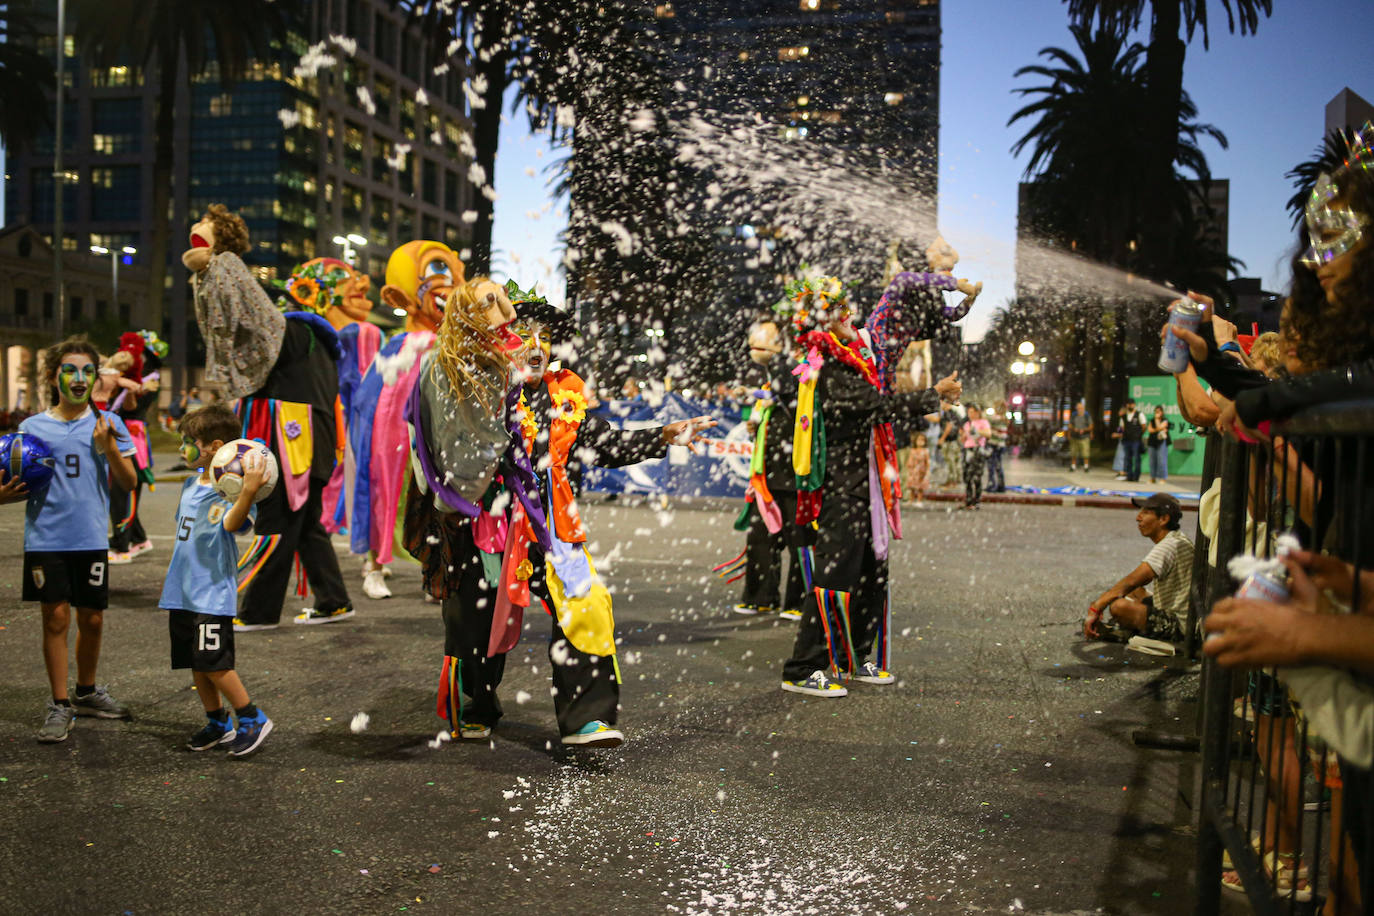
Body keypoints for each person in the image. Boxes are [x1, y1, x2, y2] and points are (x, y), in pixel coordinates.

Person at [500, 287, 715, 745]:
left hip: (554, 530)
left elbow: (607, 445)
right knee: (485, 623)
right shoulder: (488, 395)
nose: (535, 345)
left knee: (588, 604)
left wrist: (663, 436)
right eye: (522, 334)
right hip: (496, 530)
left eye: (543, 336)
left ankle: (586, 720)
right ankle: (472, 707)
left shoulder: (565, 399)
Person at [774, 272, 962, 698]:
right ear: (823, 321)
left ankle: (856, 657)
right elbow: (875, 407)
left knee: (870, 573)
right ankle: (803, 667)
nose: (850, 316)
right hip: (844, 485)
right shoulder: (825, 367)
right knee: (835, 574)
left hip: (867, 484)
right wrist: (933, 395)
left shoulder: (851, 358)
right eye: (841, 312)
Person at [0, 336, 137, 742]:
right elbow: (12, 480)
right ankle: (60, 704)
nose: (79, 378)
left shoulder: (108, 424)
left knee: (91, 618)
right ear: (53, 375)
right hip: (45, 537)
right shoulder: (31, 428)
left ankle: (87, 692)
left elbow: (127, 482)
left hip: (90, 537)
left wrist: (108, 447)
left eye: (87, 371)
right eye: (70, 370)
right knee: (55, 618)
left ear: (96, 377)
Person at [161, 404, 273, 756]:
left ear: (215, 446)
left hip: (210, 594)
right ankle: (218, 722)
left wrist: (248, 493)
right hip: (181, 592)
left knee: (215, 663)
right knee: (196, 662)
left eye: (188, 442)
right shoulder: (190, 485)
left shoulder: (235, 488)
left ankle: (252, 718)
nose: (183, 449)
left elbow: (232, 525)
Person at [1083, 493, 1192, 645]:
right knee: (1134, 592)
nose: (1138, 518)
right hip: (1178, 610)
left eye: (1146, 513)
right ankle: (1133, 628)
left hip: (1181, 625)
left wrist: (1096, 607)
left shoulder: (1169, 546)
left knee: (1119, 607)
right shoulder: (1176, 539)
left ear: (1164, 519)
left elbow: (1133, 580)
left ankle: (1135, 631)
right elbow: (1132, 586)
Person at [960, 405, 991, 509]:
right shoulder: (967, 424)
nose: (971, 414)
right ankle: (969, 500)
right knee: (967, 476)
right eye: (969, 412)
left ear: (978, 412)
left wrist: (977, 431)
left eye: (973, 412)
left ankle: (977, 500)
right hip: (967, 449)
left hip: (977, 450)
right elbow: (964, 438)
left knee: (976, 476)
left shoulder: (983, 422)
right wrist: (963, 436)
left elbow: (988, 434)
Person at [1116, 399, 1146, 482]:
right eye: (1129, 404)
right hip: (1126, 440)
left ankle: (1136, 477)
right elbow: (1121, 428)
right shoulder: (1123, 416)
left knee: (1137, 458)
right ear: (1127, 405)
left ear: (1134, 405)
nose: (1130, 406)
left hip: (1136, 440)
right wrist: (1119, 433)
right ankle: (1129, 476)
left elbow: (1144, 427)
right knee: (1127, 458)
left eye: (1132, 404)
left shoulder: (1139, 414)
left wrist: (1138, 435)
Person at [985, 404, 1008, 493]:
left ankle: (991, 485)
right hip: (1000, 445)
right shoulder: (1004, 418)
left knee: (991, 466)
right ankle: (1001, 485)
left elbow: (986, 419)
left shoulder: (996, 418)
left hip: (994, 445)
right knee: (998, 466)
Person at [1145, 405, 1170, 483]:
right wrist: (1157, 429)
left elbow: (1159, 427)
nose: (1157, 413)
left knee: (1162, 460)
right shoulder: (1151, 420)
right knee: (1152, 461)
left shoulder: (1165, 420)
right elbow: (1150, 430)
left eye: (1158, 412)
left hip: (1161, 442)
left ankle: (1163, 478)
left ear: (1162, 412)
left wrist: (1157, 420)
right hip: (1152, 442)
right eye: (1156, 411)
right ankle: (1153, 478)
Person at [905, 432, 931, 504]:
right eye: (919, 440)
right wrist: (909, 465)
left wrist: (928, 470)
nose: (920, 442)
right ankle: (911, 499)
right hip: (913, 471)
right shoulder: (912, 450)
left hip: (921, 471)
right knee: (912, 486)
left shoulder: (925, 451)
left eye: (922, 440)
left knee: (920, 487)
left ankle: (919, 500)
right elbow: (910, 459)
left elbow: (927, 461)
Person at [1068, 401, 1093, 471]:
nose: (1079, 409)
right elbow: (1070, 425)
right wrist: (1073, 429)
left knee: (1085, 452)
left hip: (1084, 436)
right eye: (1078, 408)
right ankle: (1073, 466)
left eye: (1081, 408)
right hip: (1074, 436)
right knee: (1073, 452)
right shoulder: (1074, 415)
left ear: (1083, 408)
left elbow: (1091, 426)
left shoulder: (1087, 415)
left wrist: (1084, 430)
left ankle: (1086, 466)